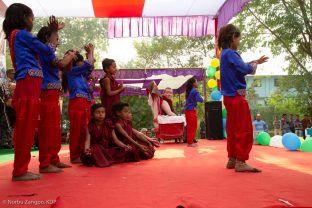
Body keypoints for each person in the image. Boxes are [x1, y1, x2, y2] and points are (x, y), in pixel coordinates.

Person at [3, 3, 59, 181]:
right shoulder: (21, 34)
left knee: (27, 126)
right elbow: (45, 50)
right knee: (26, 127)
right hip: (28, 82)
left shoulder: (18, 35)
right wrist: (51, 34)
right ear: (22, 17)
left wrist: (51, 37)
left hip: (30, 82)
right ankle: (19, 170)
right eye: (31, 17)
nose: (33, 21)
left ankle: (21, 168)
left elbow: (47, 53)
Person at [218, 24, 268, 172]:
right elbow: (245, 69)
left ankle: (232, 158)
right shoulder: (231, 54)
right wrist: (253, 64)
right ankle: (241, 161)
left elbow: (239, 66)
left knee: (233, 128)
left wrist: (254, 62)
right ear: (233, 37)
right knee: (244, 128)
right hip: (237, 96)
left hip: (229, 97)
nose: (239, 42)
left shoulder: (224, 53)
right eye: (238, 39)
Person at [36, 21, 76, 173]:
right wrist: (70, 55)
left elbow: (66, 67)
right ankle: (45, 163)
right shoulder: (45, 51)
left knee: (53, 129)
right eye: (56, 38)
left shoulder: (48, 51)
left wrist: (70, 59)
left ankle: (53, 159)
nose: (58, 42)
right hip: (46, 93)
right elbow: (61, 64)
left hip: (53, 94)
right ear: (48, 37)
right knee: (47, 129)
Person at [62, 43, 95, 163]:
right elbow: (89, 64)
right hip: (77, 102)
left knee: (84, 129)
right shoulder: (71, 71)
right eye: (81, 60)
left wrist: (91, 53)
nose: (83, 63)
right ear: (76, 62)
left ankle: (82, 153)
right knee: (76, 130)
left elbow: (90, 66)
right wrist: (91, 52)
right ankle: (74, 155)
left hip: (85, 102)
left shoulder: (81, 74)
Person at [184, 77, 203, 147]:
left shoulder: (189, 91)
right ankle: (190, 142)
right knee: (193, 126)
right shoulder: (195, 90)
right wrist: (202, 99)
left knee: (190, 126)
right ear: (193, 84)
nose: (197, 83)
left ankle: (190, 141)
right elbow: (200, 99)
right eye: (196, 82)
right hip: (191, 110)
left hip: (188, 110)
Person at [0, 69, 15, 148]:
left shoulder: (13, 82)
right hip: (4, 105)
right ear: (8, 73)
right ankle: (4, 142)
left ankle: (9, 141)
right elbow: (6, 94)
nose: (14, 75)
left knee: (8, 124)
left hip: (9, 106)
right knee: (5, 124)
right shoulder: (3, 81)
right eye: (12, 73)